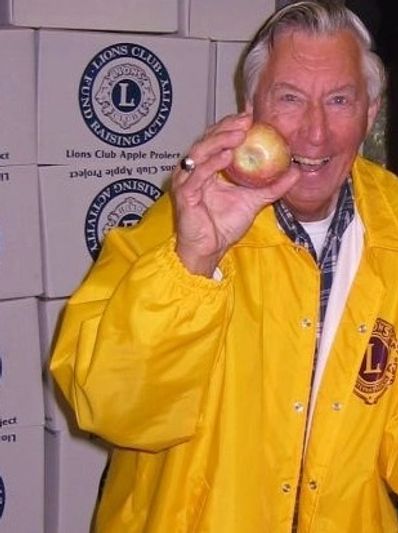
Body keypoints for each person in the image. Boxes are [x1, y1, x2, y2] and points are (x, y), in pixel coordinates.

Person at [50, 1, 398, 531]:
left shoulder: (392, 225)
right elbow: (110, 405)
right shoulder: (184, 221)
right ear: (249, 106)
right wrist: (194, 262)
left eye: (340, 100)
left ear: (371, 113)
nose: (314, 133)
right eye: (289, 98)